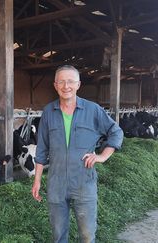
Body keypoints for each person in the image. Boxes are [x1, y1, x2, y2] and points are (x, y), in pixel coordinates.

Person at [31, 65, 123, 243]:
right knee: (58, 235)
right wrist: (37, 181)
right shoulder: (49, 112)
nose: (66, 86)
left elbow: (116, 131)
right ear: (55, 85)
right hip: (56, 183)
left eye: (71, 81)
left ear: (78, 85)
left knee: (87, 235)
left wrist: (102, 156)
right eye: (62, 82)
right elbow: (41, 149)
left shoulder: (92, 110)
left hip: (84, 182)